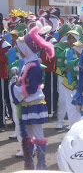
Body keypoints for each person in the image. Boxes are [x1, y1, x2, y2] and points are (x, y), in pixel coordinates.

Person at [11, 18, 54, 170]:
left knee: (37, 132)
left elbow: (32, 87)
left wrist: (17, 90)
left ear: (28, 48)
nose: (19, 51)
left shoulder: (34, 65)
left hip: (34, 102)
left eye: (21, 48)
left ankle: (41, 164)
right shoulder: (28, 63)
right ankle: (30, 163)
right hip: (28, 103)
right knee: (28, 134)